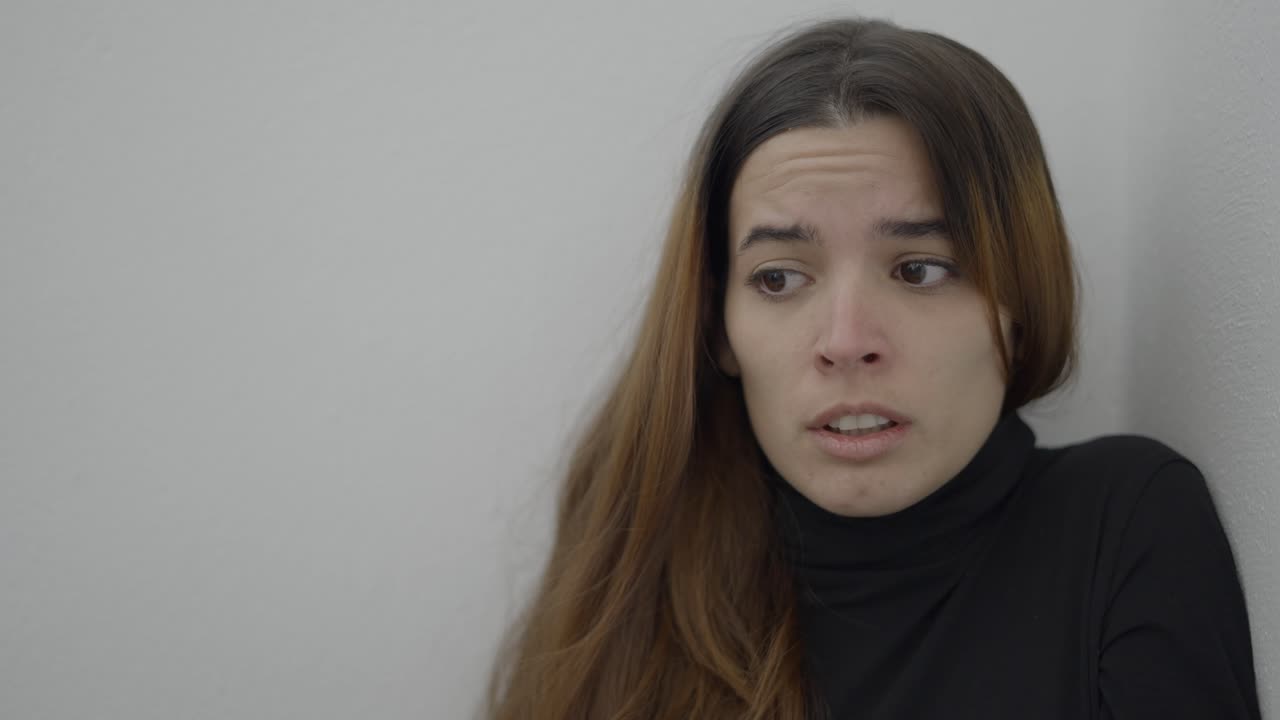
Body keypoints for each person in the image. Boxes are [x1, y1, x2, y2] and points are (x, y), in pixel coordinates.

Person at [483, 17, 1261, 720]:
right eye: (779, 278)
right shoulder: (631, 565)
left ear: (1018, 303)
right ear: (718, 328)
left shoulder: (1124, 528)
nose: (846, 340)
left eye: (920, 269)